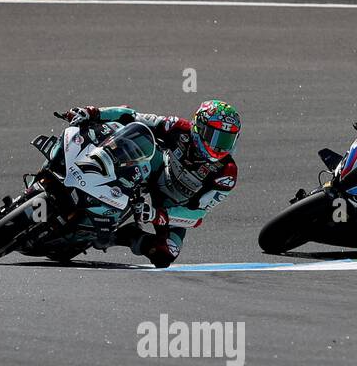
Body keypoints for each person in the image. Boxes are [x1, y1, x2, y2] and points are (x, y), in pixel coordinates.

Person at [64, 99, 241, 267]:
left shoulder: (226, 173)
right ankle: (87, 167)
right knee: (132, 134)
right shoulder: (178, 128)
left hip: (173, 204)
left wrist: (158, 215)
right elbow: (132, 116)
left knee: (165, 255)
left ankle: (117, 236)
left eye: (226, 140)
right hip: (157, 169)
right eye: (214, 137)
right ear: (199, 127)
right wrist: (93, 112)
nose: (219, 147)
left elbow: (196, 215)